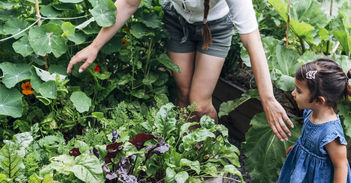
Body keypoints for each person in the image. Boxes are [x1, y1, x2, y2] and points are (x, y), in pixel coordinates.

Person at [66, 0, 293, 141]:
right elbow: (128, 3)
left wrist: (268, 98)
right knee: (184, 96)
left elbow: (252, 41)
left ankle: (209, 150)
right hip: (176, 21)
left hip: (215, 27)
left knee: (200, 103)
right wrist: (94, 46)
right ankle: (186, 153)